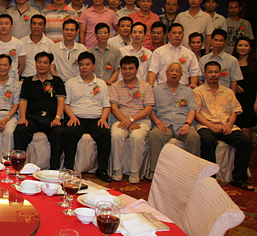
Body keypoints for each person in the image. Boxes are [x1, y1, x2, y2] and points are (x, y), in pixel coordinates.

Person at [195, 61, 254, 191]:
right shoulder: (198, 91)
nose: (213, 75)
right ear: (205, 74)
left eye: (216, 72)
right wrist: (210, 125)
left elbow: (234, 111)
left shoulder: (228, 92)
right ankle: (210, 178)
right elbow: (196, 113)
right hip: (207, 125)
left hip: (226, 125)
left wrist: (229, 124)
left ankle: (239, 178)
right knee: (207, 140)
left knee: (246, 142)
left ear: (221, 74)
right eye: (210, 72)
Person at [63, 51, 112, 182]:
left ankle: (102, 170)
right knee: (70, 132)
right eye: (81, 65)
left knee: (105, 134)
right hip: (76, 118)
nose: (84, 67)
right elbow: (65, 104)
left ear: (93, 66)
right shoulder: (70, 83)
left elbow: (106, 105)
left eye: (87, 64)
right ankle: (68, 168)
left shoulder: (101, 84)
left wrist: (103, 118)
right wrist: (72, 117)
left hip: (96, 119)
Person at [13, 52, 66, 169]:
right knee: (20, 130)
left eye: (45, 62)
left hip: (51, 118)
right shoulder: (28, 81)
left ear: (50, 65)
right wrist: (23, 117)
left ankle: (54, 169)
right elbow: (23, 101)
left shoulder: (57, 81)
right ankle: (18, 167)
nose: (42, 65)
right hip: (32, 118)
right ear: (35, 63)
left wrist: (57, 118)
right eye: (39, 62)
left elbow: (61, 101)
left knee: (59, 133)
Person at [109, 55, 154, 184]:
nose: (127, 71)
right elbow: (114, 108)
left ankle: (135, 171)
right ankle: (117, 169)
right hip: (121, 120)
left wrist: (132, 120)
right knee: (116, 135)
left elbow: (148, 109)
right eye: (124, 68)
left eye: (131, 68)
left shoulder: (146, 87)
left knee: (137, 137)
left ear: (137, 70)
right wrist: (127, 122)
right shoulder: (115, 86)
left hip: (141, 121)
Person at [148, 63, 199, 176]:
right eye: (172, 70)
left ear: (181, 75)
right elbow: (151, 110)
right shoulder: (156, 90)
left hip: (182, 124)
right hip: (163, 124)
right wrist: (157, 122)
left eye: (177, 71)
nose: (174, 73)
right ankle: (156, 172)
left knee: (194, 137)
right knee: (154, 135)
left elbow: (192, 110)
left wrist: (187, 124)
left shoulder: (187, 91)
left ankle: (191, 172)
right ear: (166, 73)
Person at [148, 23, 200, 88]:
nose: (177, 35)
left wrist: (193, 84)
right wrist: (150, 84)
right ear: (168, 35)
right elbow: (153, 71)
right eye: (174, 33)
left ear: (183, 35)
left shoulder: (189, 53)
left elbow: (194, 73)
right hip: (162, 88)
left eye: (179, 33)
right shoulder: (158, 52)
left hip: (183, 88)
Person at [233, 38, 257, 136]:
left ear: (250, 49)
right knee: (235, 126)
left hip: (250, 99)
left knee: (246, 128)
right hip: (235, 98)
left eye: (246, 46)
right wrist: (235, 85)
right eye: (240, 45)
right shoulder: (232, 62)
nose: (243, 48)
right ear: (236, 47)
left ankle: (246, 145)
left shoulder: (256, 64)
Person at [0, 14, 26, 81]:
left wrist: (15, 76)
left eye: (7, 24)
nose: (4, 26)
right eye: (1, 24)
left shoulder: (19, 43)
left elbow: (22, 65)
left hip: (13, 80)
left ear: (11, 26)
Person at [20, 14, 55, 79]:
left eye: (40, 24)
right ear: (30, 25)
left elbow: (51, 65)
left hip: (44, 79)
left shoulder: (50, 43)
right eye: (34, 24)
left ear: (44, 27)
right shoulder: (21, 42)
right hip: (25, 79)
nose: (36, 26)